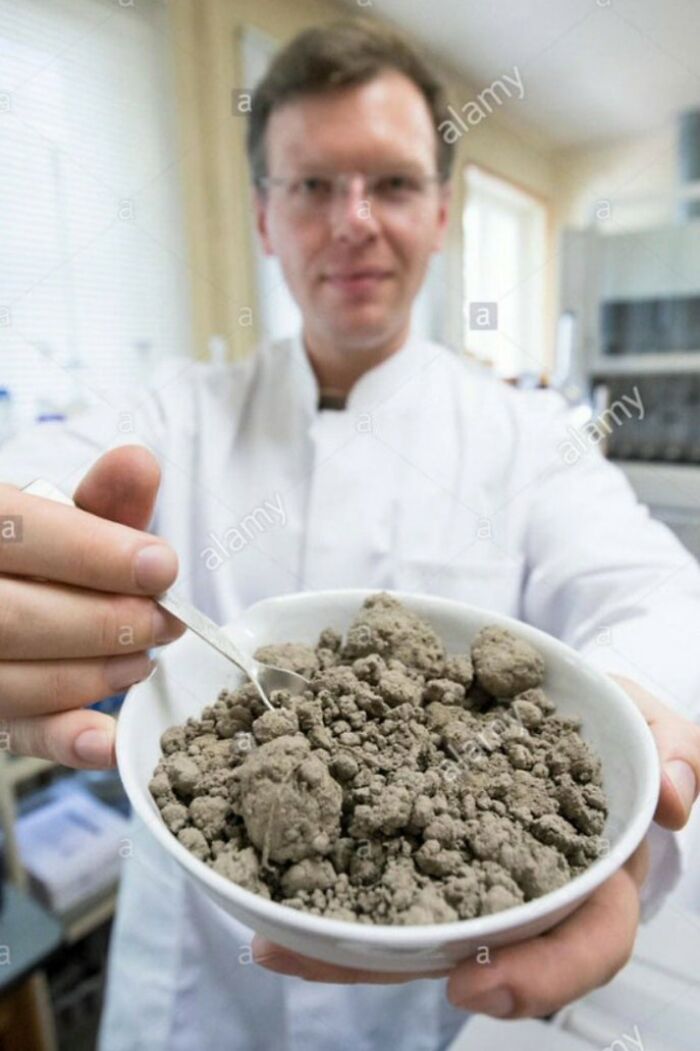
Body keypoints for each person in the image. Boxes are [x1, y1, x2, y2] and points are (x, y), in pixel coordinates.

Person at [1, 18, 699, 1051]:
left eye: (392, 184)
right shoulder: (172, 409)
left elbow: (659, 593)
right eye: (313, 185)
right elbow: (37, 467)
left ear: (441, 212)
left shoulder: (523, 437)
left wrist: (636, 753)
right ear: (262, 217)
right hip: (197, 989)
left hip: (430, 979)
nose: (354, 221)